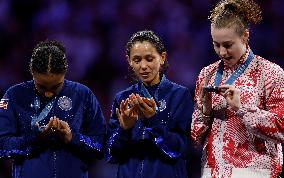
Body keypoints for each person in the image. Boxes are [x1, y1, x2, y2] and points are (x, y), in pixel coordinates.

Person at [191, 0, 284, 177]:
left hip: (255, 172)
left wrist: (241, 109)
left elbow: (282, 128)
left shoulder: (270, 73)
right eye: (216, 45)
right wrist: (206, 110)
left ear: (245, 36)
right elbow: (196, 138)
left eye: (227, 45)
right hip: (212, 172)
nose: (222, 52)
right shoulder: (207, 74)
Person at [0, 40, 106, 178]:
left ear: (65, 73)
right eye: (41, 87)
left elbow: (101, 144)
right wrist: (36, 138)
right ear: (32, 73)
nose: (48, 93)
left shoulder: (82, 94)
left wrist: (72, 137)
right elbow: (2, 146)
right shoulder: (14, 95)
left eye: (56, 87)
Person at [106, 30, 193, 178]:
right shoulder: (122, 98)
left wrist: (154, 120)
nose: (143, 66)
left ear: (162, 58)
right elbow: (111, 155)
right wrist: (124, 129)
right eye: (137, 60)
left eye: (149, 58)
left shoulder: (179, 95)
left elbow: (180, 150)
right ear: (129, 61)